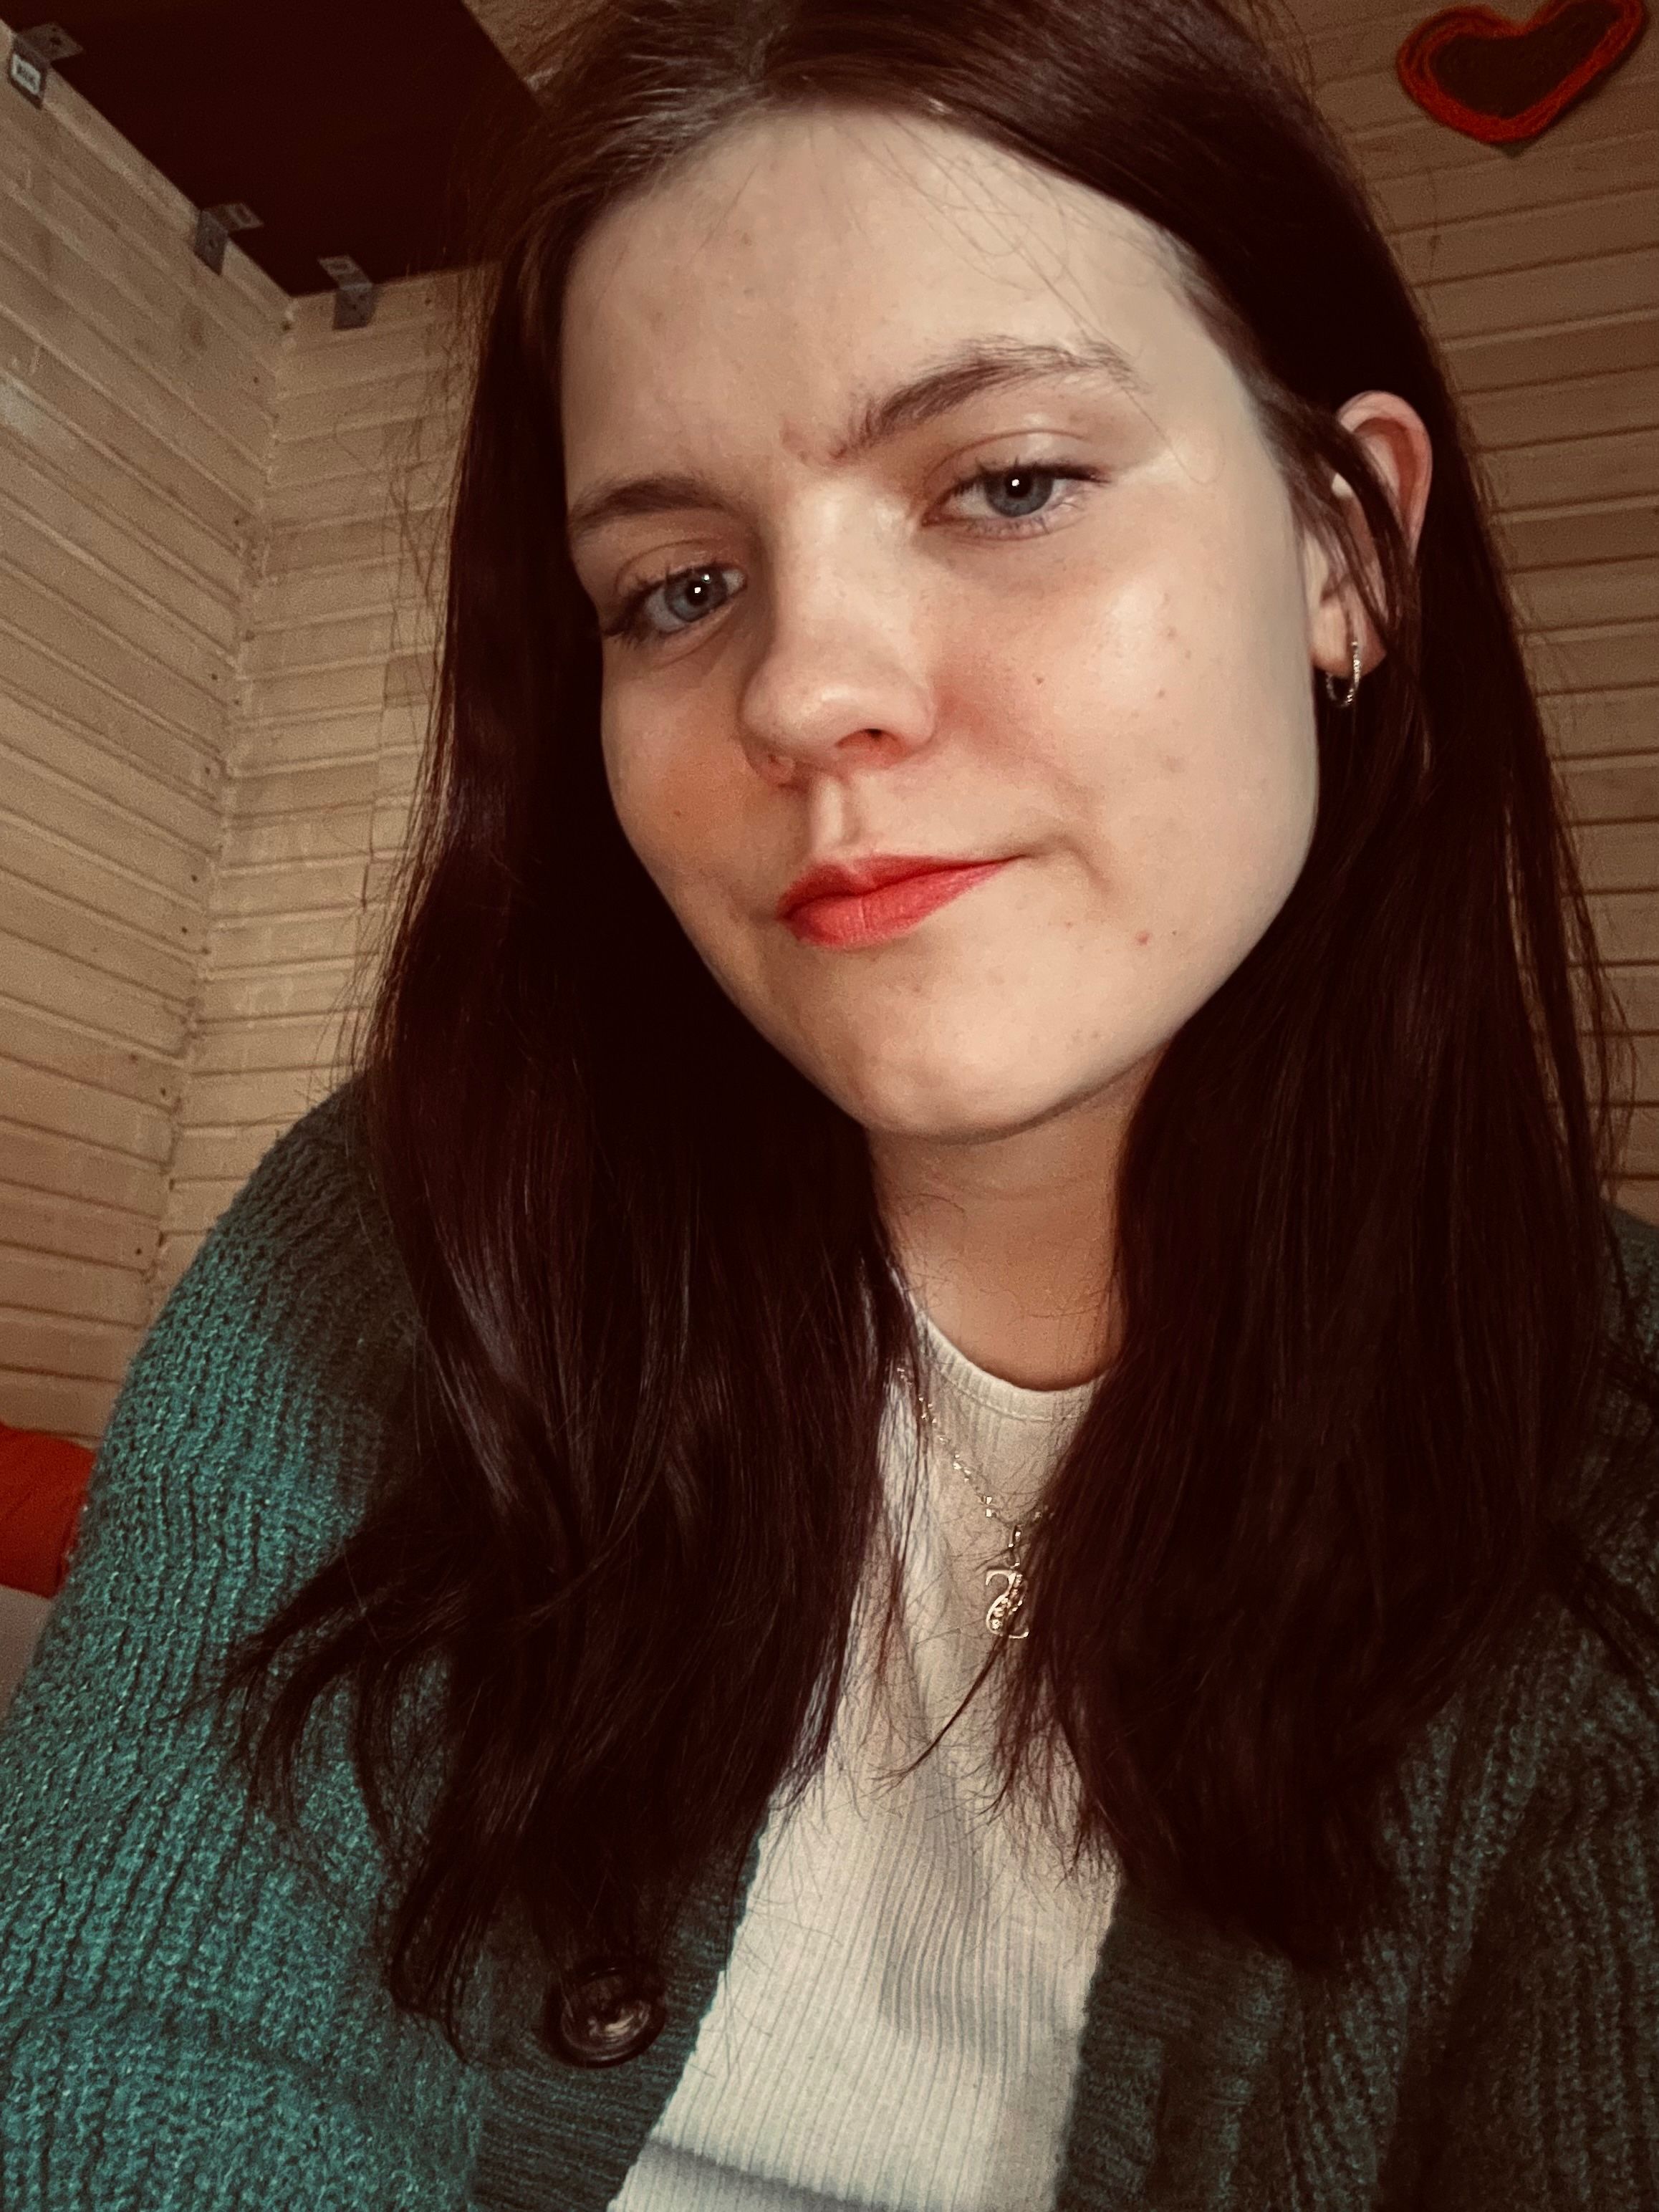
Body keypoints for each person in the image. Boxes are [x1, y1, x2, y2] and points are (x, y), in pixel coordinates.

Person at [2, 1, 1656, 2204]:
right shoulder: (411, 1240)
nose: (798, 688)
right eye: (676, 587)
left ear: (1343, 555)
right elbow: (125, 2041)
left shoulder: (1614, 1489)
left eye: (1008, 482)